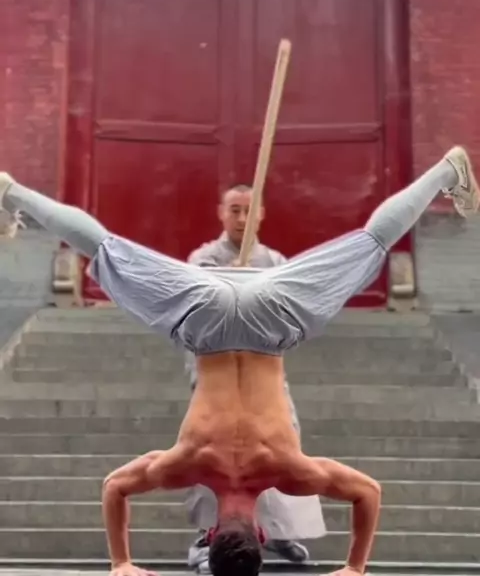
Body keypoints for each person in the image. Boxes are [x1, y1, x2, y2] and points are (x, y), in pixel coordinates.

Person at [0, 146, 477, 576]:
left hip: (271, 316)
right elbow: (115, 487)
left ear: (261, 534)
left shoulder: (287, 470)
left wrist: (355, 567)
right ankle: (12, 192)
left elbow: (367, 492)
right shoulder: (187, 464)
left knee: (371, 242)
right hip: (205, 315)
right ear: (211, 535)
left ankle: (444, 171)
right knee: (104, 248)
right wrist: (120, 561)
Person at [186, 184, 324, 573]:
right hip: (219, 370)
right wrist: (229, 282)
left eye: (249, 211)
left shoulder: (276, 261)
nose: (242, 219)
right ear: (221, 212)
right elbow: (197, 307)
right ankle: (208, 537)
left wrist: (254, 285)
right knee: (214, 451)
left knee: (281, 444)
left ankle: (279, 532)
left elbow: (288, 308)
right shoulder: (203, 259)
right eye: (234, 210)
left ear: (261, 214)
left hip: (264, 370)